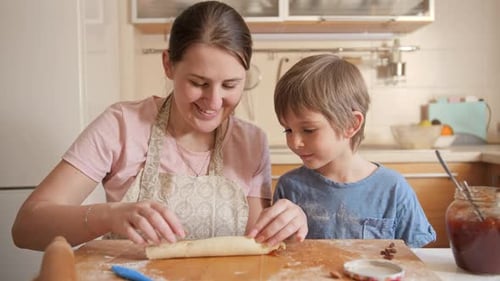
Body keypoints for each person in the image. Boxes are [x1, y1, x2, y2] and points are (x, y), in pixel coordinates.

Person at [12, 1, 307, 251]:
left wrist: (288, 224)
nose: (214, 102)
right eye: (198, 83)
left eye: (230, 85)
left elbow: (256, 244)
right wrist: (109, 216)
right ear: (168, 65)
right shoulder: (121, 126)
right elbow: (26, 227)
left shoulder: (252, 142)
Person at [273, 54, 436, 248]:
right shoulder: (290, 187)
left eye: (308, 130)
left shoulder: (393, 189)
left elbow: (416, 258)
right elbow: (281, 255)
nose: (295, 141)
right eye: (288, 130)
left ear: (351, 124)